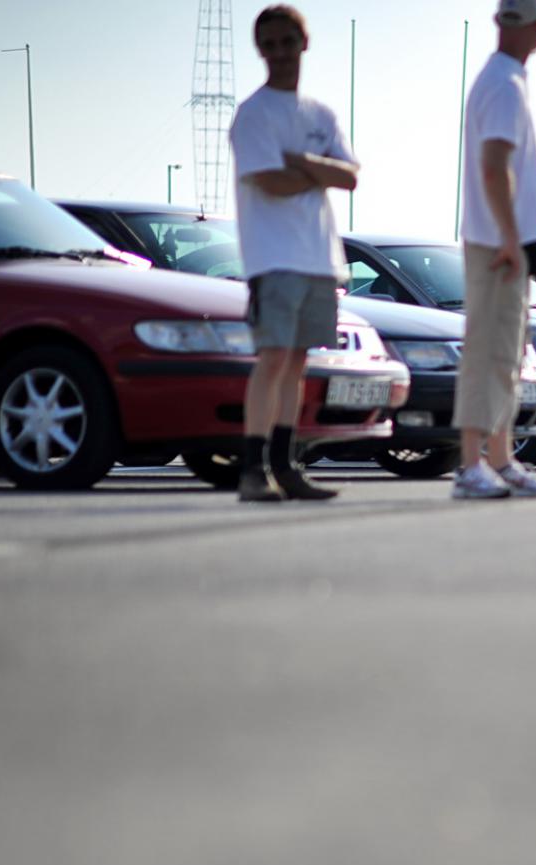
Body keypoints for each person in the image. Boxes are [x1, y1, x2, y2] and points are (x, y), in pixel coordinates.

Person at [229, 4, 359, 502]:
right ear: (259, 50)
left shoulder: (320, 114)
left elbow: (350, 176)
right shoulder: (254, 114)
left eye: (287, 41)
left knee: (298, 363)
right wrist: (319, 170)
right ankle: (252, 469)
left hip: (318, 259)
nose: (280, 52)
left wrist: (301, 161)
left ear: (304, 43)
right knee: (273, 358)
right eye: (270, 44)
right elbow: (270, 182)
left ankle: (285, 466)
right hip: (274, 259)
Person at [449, 0, 536, 500]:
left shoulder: (504, 80)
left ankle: (498, 458)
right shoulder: (504, 84)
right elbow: (494, 168)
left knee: (506, 355)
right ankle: (471, 464)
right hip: (497, 243)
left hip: (502, 240)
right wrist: (513, 239)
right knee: (488, 352)